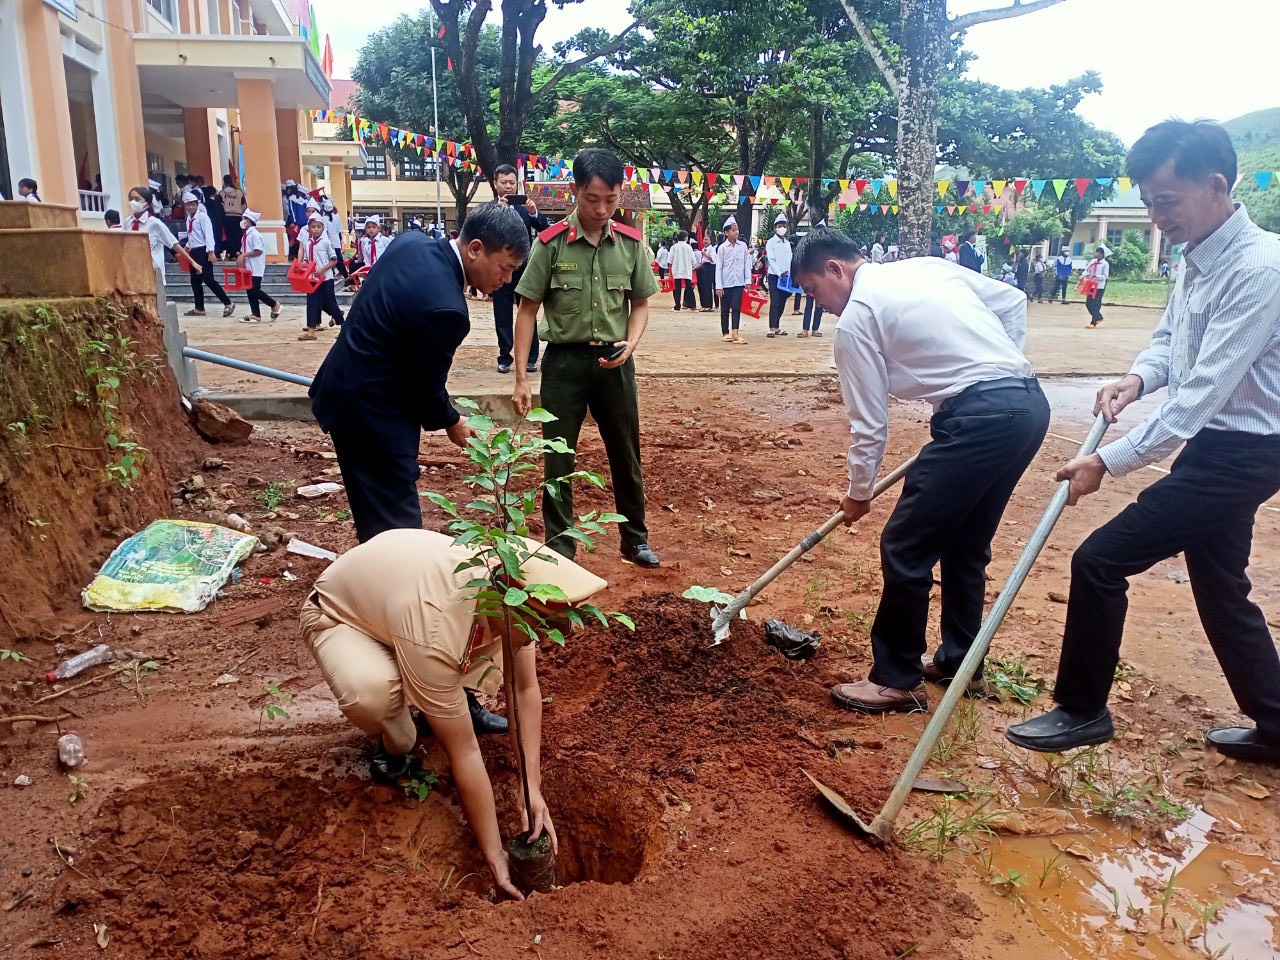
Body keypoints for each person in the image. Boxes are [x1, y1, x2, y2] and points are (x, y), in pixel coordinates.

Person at [1006, 120, 1280, 764]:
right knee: (1220, 584)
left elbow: (1203, 391)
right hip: (1217, 446)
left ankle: (1081, 709)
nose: (1156, 217)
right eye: (1149, 202)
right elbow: (1171, 343)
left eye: (1166, 201)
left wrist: (1108, 459)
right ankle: (1277, 721)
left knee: (1100, 560)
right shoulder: (1197, 255)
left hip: (1245, 452)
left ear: (1217, 186)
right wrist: (1135, 377)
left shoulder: (1259, 268)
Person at [790, 228, 1049, 713]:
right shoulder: (923, 267)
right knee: (964, 543)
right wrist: (1005, 366)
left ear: (834, 269)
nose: (819, 305)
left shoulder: (856, 321)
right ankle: (960, 662)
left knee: (905, 545)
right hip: (1028, 405)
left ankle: (896, 678)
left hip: (982, 417)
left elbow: (870, 424)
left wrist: (859, 492)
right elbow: (1012, 302)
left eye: (813, 291)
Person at [301, 528, 606, 897]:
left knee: (449, 658)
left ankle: (428, 689)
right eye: (540, 629)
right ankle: (399, 735)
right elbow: (465, 751)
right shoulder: (436, 627)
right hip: (342, 615)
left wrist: (532, 787)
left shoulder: (512, 587)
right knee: (375, 698)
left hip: (402, 601)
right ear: (508, 604)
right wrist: (494, 854)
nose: (543, 639)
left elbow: (523, 690)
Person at [310, 204, 529, 543]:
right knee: (395, 528)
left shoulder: (411, 243)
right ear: (475, 249)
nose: (507, 280)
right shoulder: (446, 309)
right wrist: (452, 421)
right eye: (506, 268)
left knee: (377, 514)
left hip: (344, 387)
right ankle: (394, 593)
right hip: (373, 414)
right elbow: (425, 384)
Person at [510, 148, 661, 568]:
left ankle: (635, 539)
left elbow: (642, 303)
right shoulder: (550, 243)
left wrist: (631, 344)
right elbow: (526, 310)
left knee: (626, 453)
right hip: (564, 365)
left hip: (615, 362)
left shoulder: (630, 245)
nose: (601, 209)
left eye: (610, 200)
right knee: (558, 456)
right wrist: (521, 377)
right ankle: (561, 546)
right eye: (592, 199)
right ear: (574, 191)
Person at [490, 164, 548, 374]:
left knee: (528, 311)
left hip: (524, 269)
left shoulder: (525, 208)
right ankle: (505, 357)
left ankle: (531, 357)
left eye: (512, 183)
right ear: (495, 184)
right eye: (503, 182)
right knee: (502, 315)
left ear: (518, 184)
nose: (508, 187)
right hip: (498, 270)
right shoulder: (490, 208)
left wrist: (534, 213)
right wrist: (499, 211)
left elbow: (544, 230)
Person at [124, 185, 200, 280]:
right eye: (130, 199)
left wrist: (191, 261)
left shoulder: (155, 223)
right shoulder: (128, 222)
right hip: (133, 270)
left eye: (137, 199)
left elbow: (174, 244)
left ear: (147, 204)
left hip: (151, 271)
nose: (133, 202)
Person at [180, 192, 236, 318]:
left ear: (197, 205)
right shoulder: (189, 218)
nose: (190, 207)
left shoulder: (203, 217)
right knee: (195, 281)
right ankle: (199, 308)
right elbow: (192, 235)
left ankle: (228, 302)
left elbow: (208, 235)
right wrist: (187, 246)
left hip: (203, 250)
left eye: (192, 204)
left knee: (208, 279)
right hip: (194, 251)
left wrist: (211, 251)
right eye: (187, 205)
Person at [297, 214, 344, 340]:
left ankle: (343, 327)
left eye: (319, 227)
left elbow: (334, 260)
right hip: (312, 279)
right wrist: (304, 267)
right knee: (312, 303)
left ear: (323, 229)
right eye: (313, 227)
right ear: (309, 229)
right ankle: (311, 331)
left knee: (330, 302)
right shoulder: (307, 244)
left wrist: (323, 269)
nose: (316, 229)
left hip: (326, 278)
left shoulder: (326, 243)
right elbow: (307, 260)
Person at [236, 208, 281, 323]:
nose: (243, 220)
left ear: (249, 220)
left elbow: (258, 251)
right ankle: (256, 314)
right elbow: (243, 251)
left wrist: (244, 255)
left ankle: (274, 304)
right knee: (249, 290)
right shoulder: (245, 235)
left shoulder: (255, 235)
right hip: (248, 267)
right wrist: (240, 256)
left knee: (254, 290)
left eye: (245, 218)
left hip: (256, 267)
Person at [715, 216, 751, 344]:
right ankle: (725, 332)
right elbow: (719, 267)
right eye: (733, 230)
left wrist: (748, 280)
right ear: (726, 232)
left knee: (736, 306)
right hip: (725, 282)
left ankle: (735, 332)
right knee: (725, 308)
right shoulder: (722, 248)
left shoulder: (743, 246)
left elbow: (747, 263)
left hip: (739, 282)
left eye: (737, 229)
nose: (736, 232)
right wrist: (719, 285)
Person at [764, 213, 792, 337]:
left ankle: (777, 326)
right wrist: (779, 272)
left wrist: (789, 272)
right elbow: (771, 259)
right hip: (774, 276)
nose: (782, 228)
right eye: (780, 225)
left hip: (786, 277)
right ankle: (772, 327)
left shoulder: (787, 243)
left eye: (784, 225)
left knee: (782, 300)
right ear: (775, 227)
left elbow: (789, 258)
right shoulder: (771, 242)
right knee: (775, 300)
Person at [320, 198, 348, 280]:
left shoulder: (323, 219)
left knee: (329, 260)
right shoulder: (337, 218)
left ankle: (333, 274)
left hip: (328, 242)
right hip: (336, 242)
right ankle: (345, 275)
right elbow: (340, 231)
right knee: (339, 260)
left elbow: (324, 232)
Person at [219, 175, 246, 260]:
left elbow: (219, 206)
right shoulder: (239, 193)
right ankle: (238, 252)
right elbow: (244, 205)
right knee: (238, 235)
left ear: (224, 182)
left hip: (226, 217)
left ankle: (232, 254)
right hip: (237, 217)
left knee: (229, 235)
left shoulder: (221, 193)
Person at [1083, 245, 1110, 328]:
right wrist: (1083, 275)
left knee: (1096, 303)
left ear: (1102, 254)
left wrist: (1097, 276)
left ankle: (1094, 321)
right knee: (1088, 303)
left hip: (1099, 286)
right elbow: (1087, 270)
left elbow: (1105, 276)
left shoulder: (1105, 264)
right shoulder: (1092, 261)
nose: (1096, 253)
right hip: (1090, 285)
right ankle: (1098, 316)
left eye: (1098, 252)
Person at [669, 230, 696, 311]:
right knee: (689, 287)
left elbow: (670, 260)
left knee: (677, 288)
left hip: (677, 269)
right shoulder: (689, 247)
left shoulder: (674, 247)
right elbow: (693, 260)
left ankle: (677, 306)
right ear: (686, 238)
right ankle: (692, 305)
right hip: (687, 269)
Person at [696, 236, 718, 311]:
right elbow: (702, 262)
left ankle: (708, 306)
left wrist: (704, 254)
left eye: (707, 240)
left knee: (707, 286)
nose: (705, 241)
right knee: (705, 286)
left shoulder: (711, 249)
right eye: (704, 239)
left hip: (710, 267)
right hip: (704, 267)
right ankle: (706, 305)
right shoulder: (703, 249)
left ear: (710, 241)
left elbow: (713, 259)